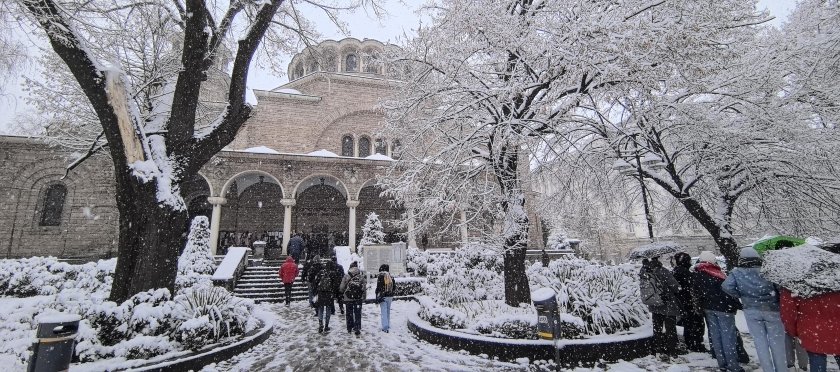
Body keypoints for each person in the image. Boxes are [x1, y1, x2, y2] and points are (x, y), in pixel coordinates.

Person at [722, 247, 788, 372]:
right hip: (772, 309)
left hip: (751, 310)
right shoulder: (768, 270)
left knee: (760, 343)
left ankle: (768, 369)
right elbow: (780, 288)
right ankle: (782, 369)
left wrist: (741, 294)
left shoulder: (737, 272)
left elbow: (726, 286)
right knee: (777, 343)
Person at [693, 250, 744, 372]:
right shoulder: (717, 274)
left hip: (708, 309)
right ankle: (733, 365)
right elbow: (728, 293)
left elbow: (697, 294)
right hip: (723, 309)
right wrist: (737, 305)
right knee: (728, 337)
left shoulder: (697, 274)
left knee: (715, 336)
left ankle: (722, 363)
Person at [639, 256, 682, 359]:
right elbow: (675, 286)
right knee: (670, 330)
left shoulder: (645, 271)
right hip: (667, 304)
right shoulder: (663, 271)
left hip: (654, 304)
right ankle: (672, 353)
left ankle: (659, 352)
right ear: (658, 261)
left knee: (657, 329)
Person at [672, 252, 707, 352]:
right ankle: (695, 344)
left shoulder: (677, 271)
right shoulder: (684, 272)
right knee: (695, 323)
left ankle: (691, 342)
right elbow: (692, 287)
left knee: (689, 323)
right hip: (690, 302)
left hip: (684, 302)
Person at [340, 261, 367, 336]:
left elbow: (342, 288)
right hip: (358, 298)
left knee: (349, 313)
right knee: (357, 313)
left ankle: (349, 328)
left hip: (348, 298)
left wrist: (342, 292)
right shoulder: (360, 276)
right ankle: (357, 328)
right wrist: (364, 297)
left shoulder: (346, 276)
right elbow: (364, 288)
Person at [314, 259, 336, 333]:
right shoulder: (332, 274)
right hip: (329, 294)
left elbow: (316, 282)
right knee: (328, 310)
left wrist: (316, 292)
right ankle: (326, 325)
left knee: (320, 309)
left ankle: (320, 324)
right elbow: (335, 285)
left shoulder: (321, 273)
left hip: (321, 293)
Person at [375, 264, 395, 333]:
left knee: (383, 311)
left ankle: (385, 327)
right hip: (390, 296)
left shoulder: (381, 276)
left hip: (383, 296)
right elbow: (394, 287)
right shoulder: (390, 276)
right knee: (388, 311)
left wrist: (377, 295)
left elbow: (378, 288)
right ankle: (388, 324)